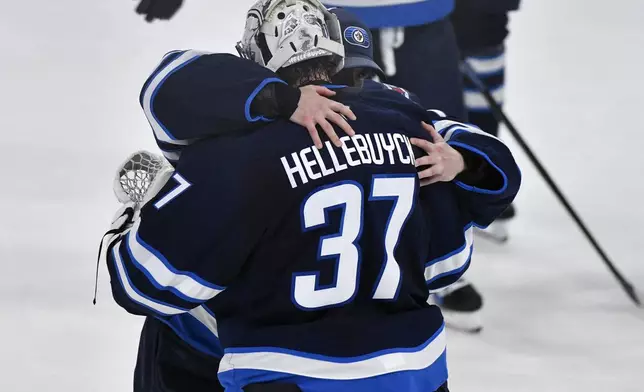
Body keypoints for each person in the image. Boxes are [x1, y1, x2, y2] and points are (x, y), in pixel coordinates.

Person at [103, 1, 521, 391]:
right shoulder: (415, 132)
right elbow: (444, 266)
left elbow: (143, 283)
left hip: (286, 377)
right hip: (414, 374)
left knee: (184, 320)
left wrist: (140, 215)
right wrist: (464, 165)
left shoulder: (237, 157)